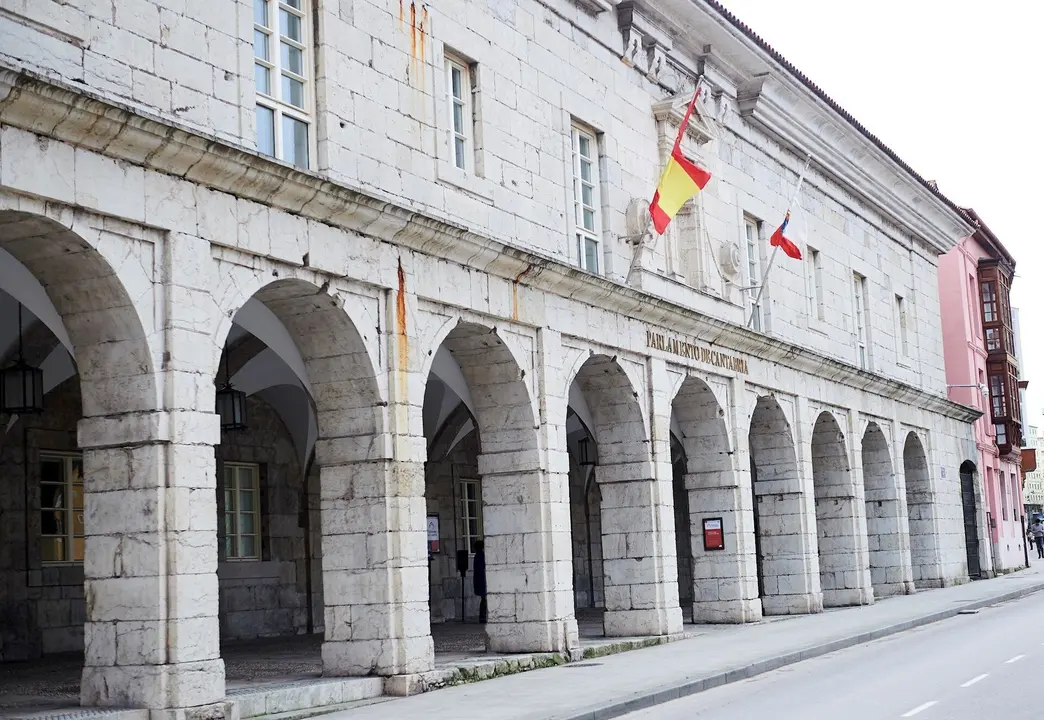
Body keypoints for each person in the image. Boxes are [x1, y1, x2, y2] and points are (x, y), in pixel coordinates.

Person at [473, 540, 487, 624]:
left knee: (484, 599)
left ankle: (482, 616)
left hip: (479, 579)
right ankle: (483, 616)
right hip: (482, 579)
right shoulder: (481, 555)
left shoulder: (477, 555)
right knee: (484, 599)